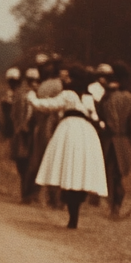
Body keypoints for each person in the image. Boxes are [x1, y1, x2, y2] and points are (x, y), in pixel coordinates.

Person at [27, 64, 108, 228]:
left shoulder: (68, 95)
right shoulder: (88, 96)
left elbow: (48, 105)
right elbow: (95, 115)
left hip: (69, 130)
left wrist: (32, 98)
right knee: (79, 169)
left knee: (67, 166)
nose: (65, 79)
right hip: (86, 132)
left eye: (68, 76)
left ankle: (71, 212)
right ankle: (75, 210)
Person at [98, 62, 131, 219]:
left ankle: (114, 208)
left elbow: (108, 121)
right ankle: (116, 207)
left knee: (110, 175)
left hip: (111, 141)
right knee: (119, 176)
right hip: (125, 143)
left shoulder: (108, 98)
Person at [24, 58, 64, 204]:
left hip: (48, 125)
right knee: (43, 162)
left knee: (42, 161)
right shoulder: (51, 84)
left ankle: (42, 196)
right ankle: (41, 196)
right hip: (44, 126)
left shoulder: (54, 84)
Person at [11, 67, 38, 202]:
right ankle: (26, 194)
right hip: (24, 134)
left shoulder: (25, 94)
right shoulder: (24, 94)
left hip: (27, 133)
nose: (34, 83)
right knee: (24, 164)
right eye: (32, 80)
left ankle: (28, 193)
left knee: (27, 164)